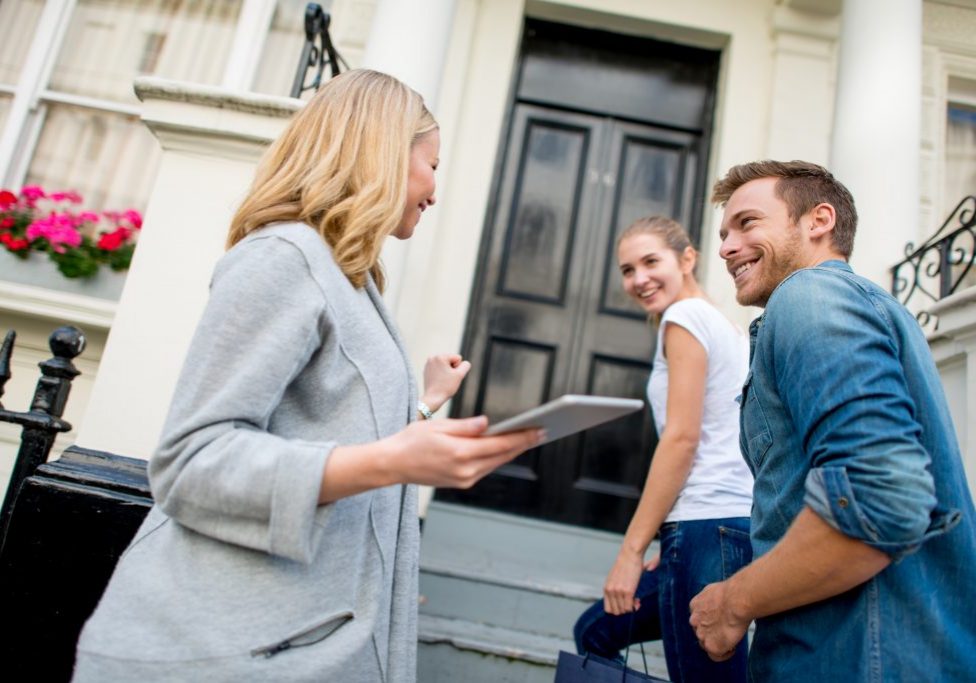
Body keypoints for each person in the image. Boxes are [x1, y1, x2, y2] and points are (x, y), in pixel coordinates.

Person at [72, 69, 542, 682]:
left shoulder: (351, 277)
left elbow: (324, 431)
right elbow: (191, 462)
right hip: (231, 654)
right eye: (432, 165)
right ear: (379, 154)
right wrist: (395, 461)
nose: (434, 190)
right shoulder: (282, 259)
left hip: (303, 645)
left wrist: (423, 408)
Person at [690, 160, 976, 681]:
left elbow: (880, 500)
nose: (727, 247)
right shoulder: (862, 306)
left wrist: (735, 602)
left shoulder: (811, 296)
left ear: (818, 221)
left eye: (748, 223)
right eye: (723, 234)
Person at [573, 216, 754, 683]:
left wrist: (631, 551)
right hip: (720, 527)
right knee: (596, 632)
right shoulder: (728, 327)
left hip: (704, 525)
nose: (638, 280)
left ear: (687, 258)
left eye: (651, 262)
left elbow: (682, 437)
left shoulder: (683, 318)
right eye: (627, 270)